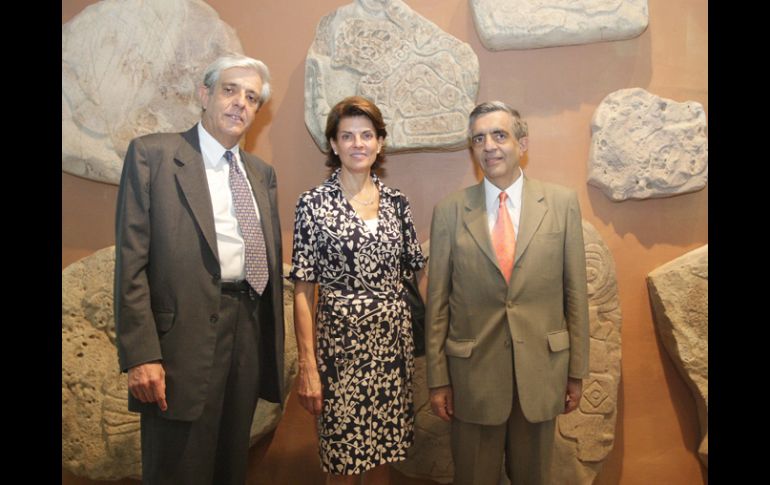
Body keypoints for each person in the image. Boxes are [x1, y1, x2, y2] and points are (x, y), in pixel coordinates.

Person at [114, 54, 284, 485]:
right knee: (178, 468)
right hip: (179, 342)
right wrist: (142, 354)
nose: (240, 103)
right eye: (230, 90)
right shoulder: (153, 155)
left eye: (252, 97)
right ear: (205, 94)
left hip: (247, 330)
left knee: (231, 465)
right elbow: (131, 263)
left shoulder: (261, 174)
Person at [425, 101, 590, 485]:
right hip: (472, 380)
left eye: (499, 135)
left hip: (542, 373)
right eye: (478, 139)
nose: (489, 146)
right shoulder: (449, 211)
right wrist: (438, 378)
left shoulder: (562, 204)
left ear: (522, 143)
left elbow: (575, 294)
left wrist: (577, 371)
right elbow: (437, 305)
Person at [290, 96, 426, 484]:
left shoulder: (398, 204)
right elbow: (303, 290)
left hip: (393, 352)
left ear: (380, 143)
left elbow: (415, 277)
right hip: (340, 355)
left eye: (366, 135)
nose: (358, 144)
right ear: (334, 145)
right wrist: (308, 365)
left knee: (385, 454)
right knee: (343, 461)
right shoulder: (313, 204)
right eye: (347, 136)